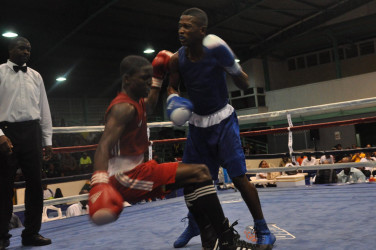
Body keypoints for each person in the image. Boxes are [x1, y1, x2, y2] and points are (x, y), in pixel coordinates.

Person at [88, 55, 254, 250]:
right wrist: (99, 182)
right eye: (144, 78)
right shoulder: (122, 108)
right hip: (125, 178)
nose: (149, 83)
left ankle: (212, 241)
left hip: (139, 171)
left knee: (194, 180)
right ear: (126, 79)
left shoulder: (136, 100)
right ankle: (227, 242)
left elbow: (149, 104)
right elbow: (103, 145)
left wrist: (159, 77)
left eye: (151, 78)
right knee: (200, 173)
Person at [167, 8, 275, 249]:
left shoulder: (215, 51)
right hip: (197, 125)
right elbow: (172, 87)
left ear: (202, 30)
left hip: (223, 121)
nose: (181, 31)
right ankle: (196, 224)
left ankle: (263, 228)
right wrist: (173, 99)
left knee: (238, 178)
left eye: (187, 26)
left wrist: (232, 65)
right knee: (189, 180)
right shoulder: (176, 59)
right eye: (179, 26)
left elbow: (245, 82)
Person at [0, 37, 52, 249]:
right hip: (6, 133)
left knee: (35, 186)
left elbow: (44, 109)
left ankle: (31, 233)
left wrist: (47, 139)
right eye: (22, 48)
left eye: (29, 49)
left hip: (32, 132)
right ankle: (2, 236)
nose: (26, 52)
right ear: (11, 49)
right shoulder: (0, 72)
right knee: (3, 187)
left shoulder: (36, 76)